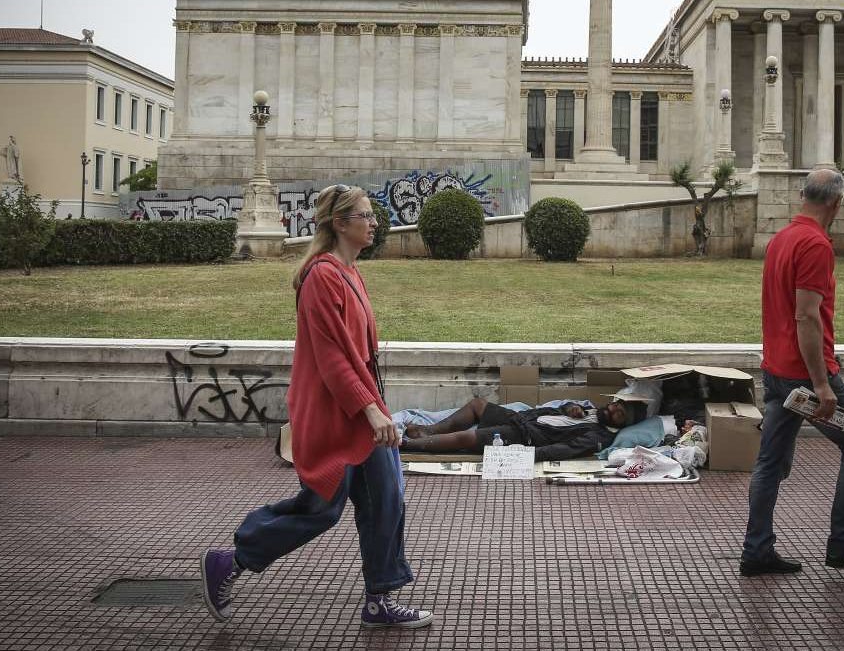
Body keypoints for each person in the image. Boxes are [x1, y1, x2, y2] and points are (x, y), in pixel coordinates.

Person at [201, 184, 433, 629]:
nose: (374, 222)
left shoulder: (350, 273)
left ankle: (379, 600)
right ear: (340, 223)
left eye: (372, 215)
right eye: (365, 215)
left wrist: (376, 407)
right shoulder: (322, 277)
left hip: (362, 409)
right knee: (321, 509)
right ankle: (230, 561)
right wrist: (371, 410)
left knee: (386, 498)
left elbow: (360, 357)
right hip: (335, 415)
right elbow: (331, 359)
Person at [740, 168, 844, 577]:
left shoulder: (781, 239)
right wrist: (823, 384)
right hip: (806, 376)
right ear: (837, 203)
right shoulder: (815, 244)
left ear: (803, 195)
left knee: (770, 463)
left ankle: (757, 550)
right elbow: (806, 316)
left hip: (776, 371)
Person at [401, 396, 646, 461]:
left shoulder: (599, 436)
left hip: (527, 436)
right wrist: (570, 407)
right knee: (478, 405)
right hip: (522, 418)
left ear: (623, 424)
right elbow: (561, 408)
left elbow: (563, 449)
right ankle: (430, 431)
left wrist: (525, 455)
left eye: (619, 414)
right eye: (616, 404)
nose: (612, 409)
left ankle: (407, 444)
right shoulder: (592, 410)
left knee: (469, 438)